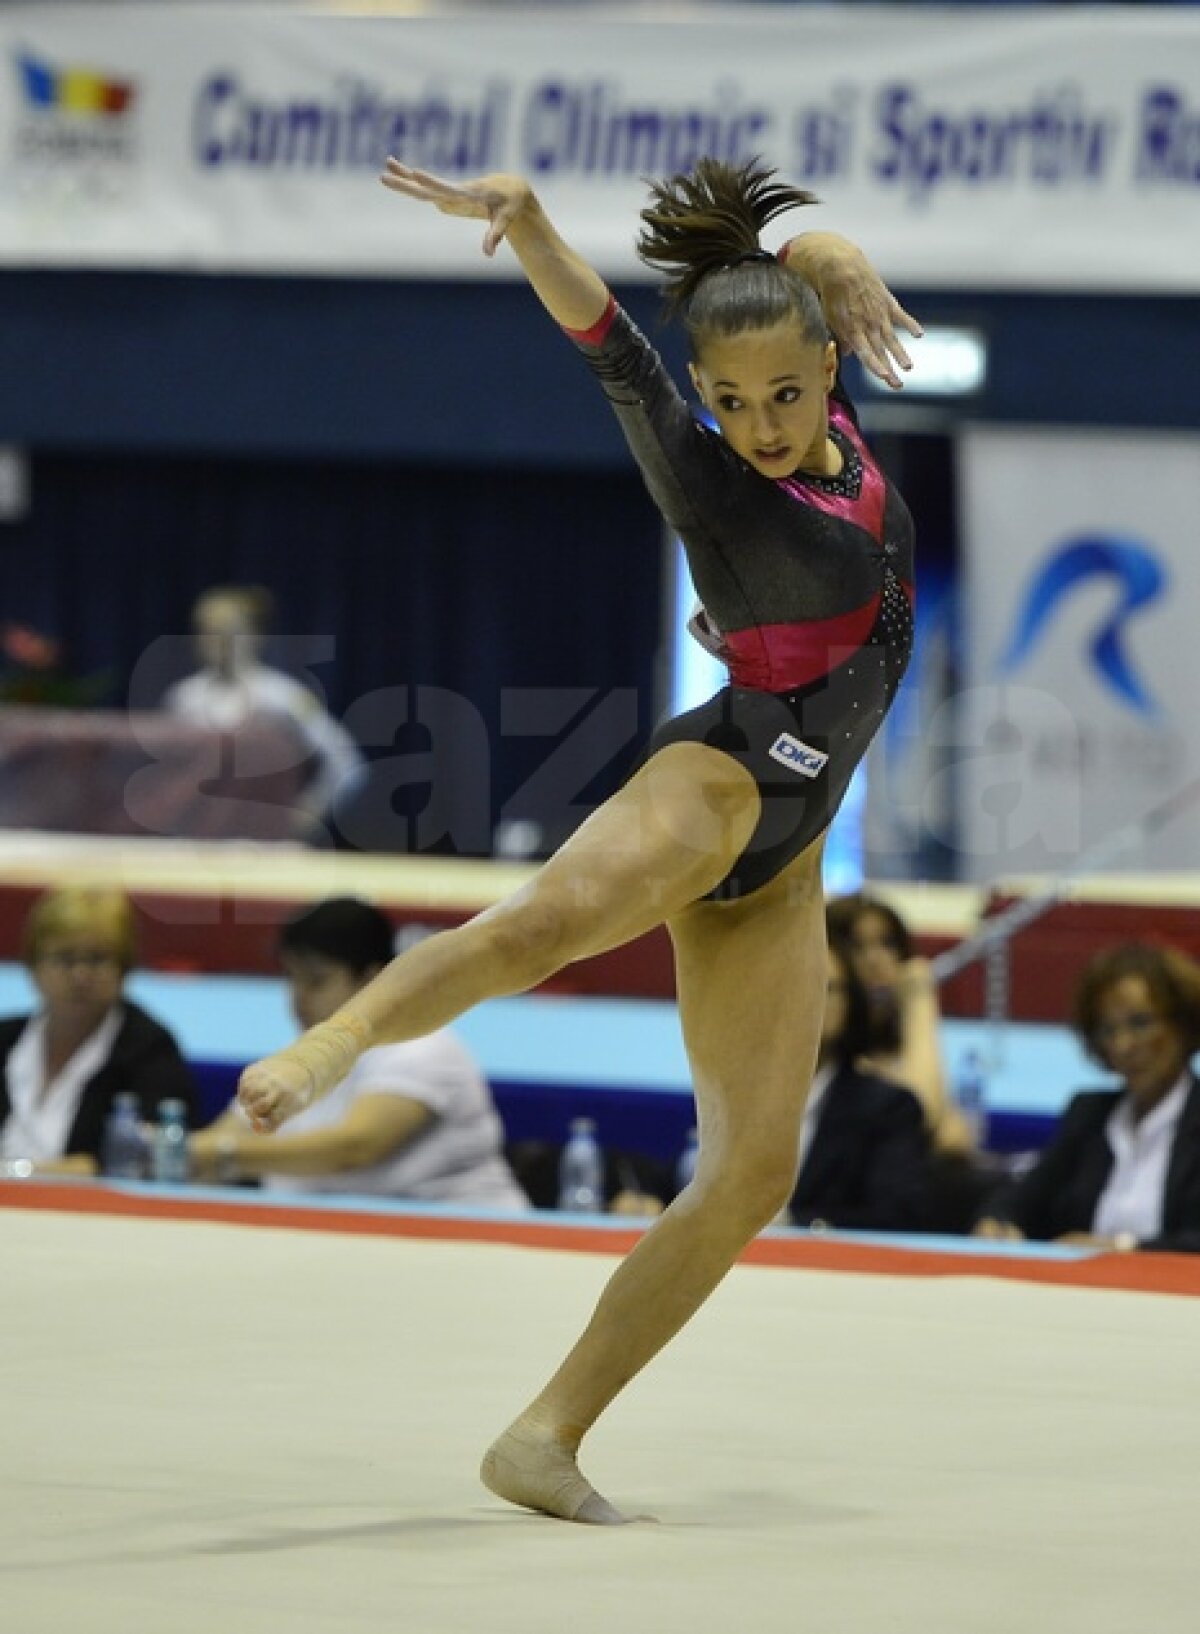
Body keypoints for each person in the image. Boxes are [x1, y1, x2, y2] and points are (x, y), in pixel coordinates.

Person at [236, 155, 921, 1524]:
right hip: (720, 778)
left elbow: (781, 295)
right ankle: (332, 1042)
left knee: (752, 1172)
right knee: (545, 926)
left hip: (787, 860)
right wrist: (535, 230)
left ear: (822, 365)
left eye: (786, 393)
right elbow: (613, 348)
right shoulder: (714, 480)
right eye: (730, 403)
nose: (761, 423)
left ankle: (545, 1433)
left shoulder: (823, 403)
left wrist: (828, 248)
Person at [189, 898, 528, 1209]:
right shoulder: (297, 1060)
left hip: (469, 1239)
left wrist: (223, 1153)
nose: (298, 997)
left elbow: (355, 1146)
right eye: (291, 978)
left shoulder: (424, 1049)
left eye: (316, 981)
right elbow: (223, 1136)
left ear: (372, 979)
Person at [974, 942, 1200, 1253]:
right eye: (1108, 1030)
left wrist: (1123, 1249)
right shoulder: (1089, 1114)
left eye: (1140, 1023)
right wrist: (998, 1220)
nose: (1123, 1045)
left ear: (1184, 1024)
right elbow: (1024, 1196)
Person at [0, 886, 198, 1177]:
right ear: (33, 966)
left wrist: (20, 1177)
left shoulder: (149, 1050)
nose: (80, 976)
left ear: (124, 968)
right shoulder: (5, 1039)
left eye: (97, 959)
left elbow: (143, 1162)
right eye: (65, 959)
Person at [162, 583, 364, 843]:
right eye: (207, 631)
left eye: (228, 632)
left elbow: (346, 764)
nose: (217, 642)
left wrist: (306, 813)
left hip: (264, 848)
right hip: (195, 845)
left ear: (256, 635)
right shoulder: (183, 698)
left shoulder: (284, 697)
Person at [789, 934, 931, 1233]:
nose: (809, 1000)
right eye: (794, 984)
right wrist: (660, 1193)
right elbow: (681, 1174)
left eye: (826, 988)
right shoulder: (732, 1096)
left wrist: (797, 1225)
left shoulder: (887, 1108)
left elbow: (896, 1215)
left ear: (850, 1004)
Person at [826, 890, 972, 1156]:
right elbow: (921, 1115)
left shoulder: (900, 1051)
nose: (876, 961)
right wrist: (920, 1000)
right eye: (857, 946)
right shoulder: (824, 1062)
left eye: (888, 944)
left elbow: (955, 1135)